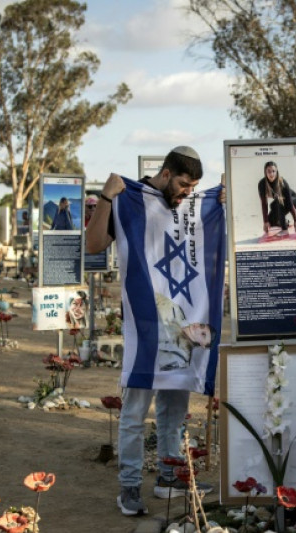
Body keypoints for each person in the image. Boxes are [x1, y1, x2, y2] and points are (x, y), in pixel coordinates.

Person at [85, 146, 218, 517]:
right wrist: (106, 198)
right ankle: (128, 486)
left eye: (193, 187)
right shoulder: (129, 200)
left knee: (174, 406)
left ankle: (168, 477)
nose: (186, 192)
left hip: (182, 319)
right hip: (145, 324)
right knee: (135, 411)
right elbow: (93, 244)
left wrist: (220, 202)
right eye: (182, 184)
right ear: (164, 173)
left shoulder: (189, 205)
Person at [155, 293, 212, 371]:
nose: (198, 328)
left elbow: (151, 361)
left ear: (203, 345)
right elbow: (147, 294)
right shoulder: (175, 309)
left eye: (203, 334)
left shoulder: (181, 356)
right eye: (201, 325)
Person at [258, 161, 296, 235]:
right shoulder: (262, 184)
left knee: (279, 202)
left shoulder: (282, 183)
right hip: (280, 202)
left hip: (293, 200)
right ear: (265, 172)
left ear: (277, 171)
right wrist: (266, 221)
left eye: (273, 171)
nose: (271, 174)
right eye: (269, 171)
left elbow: (290, 204)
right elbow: (264, 204)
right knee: (271, 219)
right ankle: (284, 222)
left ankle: (285, 229)